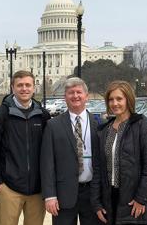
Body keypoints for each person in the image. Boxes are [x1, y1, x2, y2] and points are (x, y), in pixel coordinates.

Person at [0, 70, 50, 225]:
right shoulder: (1, 115)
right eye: (20, 85)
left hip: (37, 189)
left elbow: (49, 152)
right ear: (12, 87)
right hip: (9, 187)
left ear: (34, 88)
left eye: (28, 85)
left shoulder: (43, 115)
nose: (24, 89)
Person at [90, 80, 147, 225]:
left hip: (134, 201)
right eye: (111, 99)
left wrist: (141, 199)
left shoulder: (142, 126)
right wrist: (96, 203)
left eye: (119, 99)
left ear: (128, 99)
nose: (114, 103)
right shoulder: (104, 131)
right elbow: (98, 169)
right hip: (109, 201)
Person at [40, 77, 101, 225]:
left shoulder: (99, 124)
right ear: (64, 97)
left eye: (79, 92)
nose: (75, 96)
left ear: (86, 96)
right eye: (70, 93)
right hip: (63, 195)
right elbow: (47, 163)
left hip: (92, 194)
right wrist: (49, 195)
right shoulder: (53, 126)